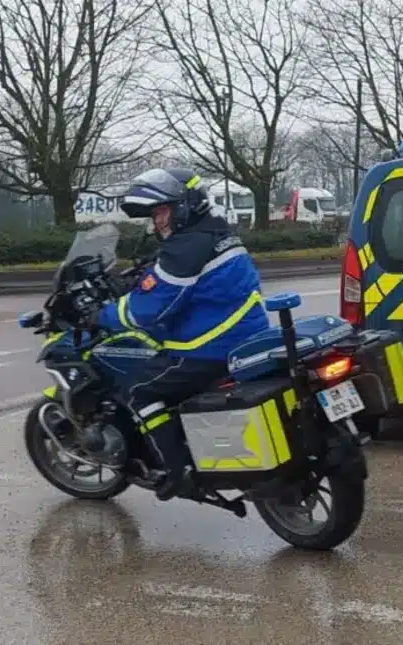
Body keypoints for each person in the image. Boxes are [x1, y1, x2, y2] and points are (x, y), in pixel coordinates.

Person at [91, 168, 270, 500]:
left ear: (184, 206)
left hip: (207, 349)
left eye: (161, 212)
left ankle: (178, 469)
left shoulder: (187, 248)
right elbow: (176, 282)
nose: (157, 222)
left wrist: (99, 316)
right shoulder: (216, 233)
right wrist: (141, 279)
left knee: (138, 391)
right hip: (246, 337)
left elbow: (145, 311)